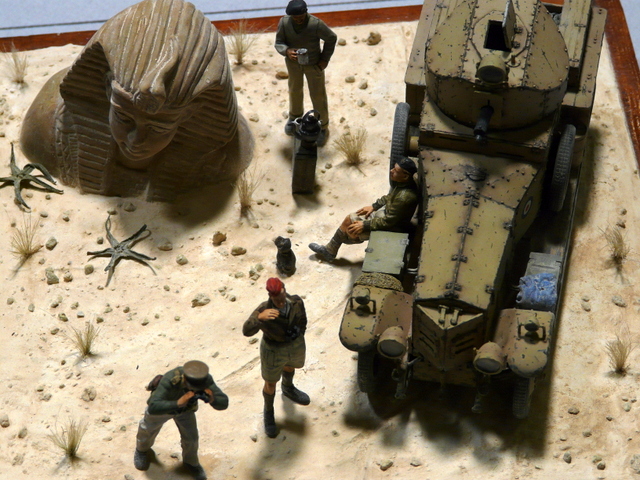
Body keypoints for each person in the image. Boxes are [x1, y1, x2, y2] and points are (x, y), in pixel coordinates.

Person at [309, 157, 419, 261]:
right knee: (349, 218)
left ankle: (338, 245)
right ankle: (330, 250)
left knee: (351, 231)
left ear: (405, 176)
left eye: (395, 170)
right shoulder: (403, 185)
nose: (391, 171)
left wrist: (365, 225)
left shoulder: (404, 197)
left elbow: (389, 222)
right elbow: (389, 197)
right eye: (393, 168)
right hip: (385, 217)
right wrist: (374, 206)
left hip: (392, 228)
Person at [134, 360, 228, 480]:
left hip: (185, 410)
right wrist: (178, 403)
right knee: (147, 430)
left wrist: (213, 399)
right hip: (163, 409)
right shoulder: (171, 379)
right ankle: (141, 450)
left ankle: (191, 462)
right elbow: (153, 406)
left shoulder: (204, 379)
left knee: (191, 438)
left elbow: (224, 403)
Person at [243, 278, 309, 438]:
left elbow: (302, 320)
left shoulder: (296, 301)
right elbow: (246, 330)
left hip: (293, 345)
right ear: (270, 296)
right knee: (270, 382)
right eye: (276, 298)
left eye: (281, 296)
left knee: (290, 366)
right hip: (273, 350)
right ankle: (268, 411)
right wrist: (259, 318)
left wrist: (299, 335)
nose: (280, 301)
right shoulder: (263, 310)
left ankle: (288, 387)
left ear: (284, 290)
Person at [275, 0, 337, 146]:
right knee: (294, 91)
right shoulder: (284, 23)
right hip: (293, 65)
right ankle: (294, 118)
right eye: (295, 17)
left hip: (313, 65)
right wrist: (287, 51)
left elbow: (331, 38)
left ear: (306, 12)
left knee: (318, 95)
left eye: (301, 17)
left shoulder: (316, 24)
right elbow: (279, 42)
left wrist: (324, 59)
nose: (298, 20)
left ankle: (322, 126)